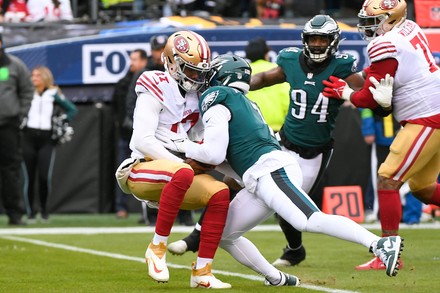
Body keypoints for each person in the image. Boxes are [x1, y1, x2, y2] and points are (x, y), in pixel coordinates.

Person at [158, 54, 404, 281]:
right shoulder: (238, 101)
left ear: (224, 77)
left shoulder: (219, 96)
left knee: (308, 220)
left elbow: (212, 153)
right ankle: (277, 277)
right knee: (223, 236)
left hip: (270, 170)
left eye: (211, 74)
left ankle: (379, 244)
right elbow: (216, 154)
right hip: (258, 178)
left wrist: (178, 144)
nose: (204, 79)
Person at [322, 0, 440, 270]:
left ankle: (386, 252)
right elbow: (380, 76)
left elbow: (368, 99)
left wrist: (345, 92)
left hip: (426, 115)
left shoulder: (383, 43)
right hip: (431, 110)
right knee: (423, 189)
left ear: (392, 17)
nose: (367, 25)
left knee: (388, 179)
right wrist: (356, 80)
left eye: (374, 19)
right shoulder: (408, 27)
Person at [115, 30, 231, 289]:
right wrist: (183, 163)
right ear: (171, 62)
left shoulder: (200, 94)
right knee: (184, 173)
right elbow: (144, 140)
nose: (196, 76)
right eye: (190, 70)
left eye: (199, 71)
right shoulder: (154, 83)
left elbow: (201, 138)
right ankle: (157, 248)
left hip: (180, 170)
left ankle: (202, 271)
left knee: (220, 193)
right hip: (143, 167)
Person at [167, 36, 289, 255]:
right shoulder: (265, 74)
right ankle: (197, 234)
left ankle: (197, 234)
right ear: (267, 51)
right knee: (231, 181)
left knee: (230, 181)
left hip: (252, 140)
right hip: (271, 134)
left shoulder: (233, 87)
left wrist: (183, 144)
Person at [23, 66, 77, 223]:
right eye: (33, 75)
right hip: (28, 137)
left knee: (43, 176)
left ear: (45, 77)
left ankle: (44, 211)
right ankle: (30, 212)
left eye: (38, 76)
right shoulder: (27, 93)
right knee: (29, 177)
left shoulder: (53, 93)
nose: (34, 78)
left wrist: (62, 120)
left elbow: (72, 109)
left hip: (47, 139)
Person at [0, 32, 34, 225]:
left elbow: (27, 90)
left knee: (11, 170)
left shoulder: (14, 65)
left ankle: (15, 213)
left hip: (8, 126)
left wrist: (22, 113)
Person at [112, 48, 147, 219]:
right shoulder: (123, 83)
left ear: (143, 61)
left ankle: (147, 210)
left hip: (143, 135)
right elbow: (116, 107)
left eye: (135, 59)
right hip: (126, 134)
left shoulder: (147, 80)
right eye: (131, 59)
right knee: (122, 171)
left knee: (148, 172)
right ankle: (121, 207)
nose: (132, 63)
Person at [360, 108, 400, 223]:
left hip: (399, 137)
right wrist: (368, 131)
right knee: (377, 175)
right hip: (380, 138)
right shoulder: (375, 89)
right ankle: (375, 210)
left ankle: (405, 211)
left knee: (400, 175)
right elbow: (366, 108)